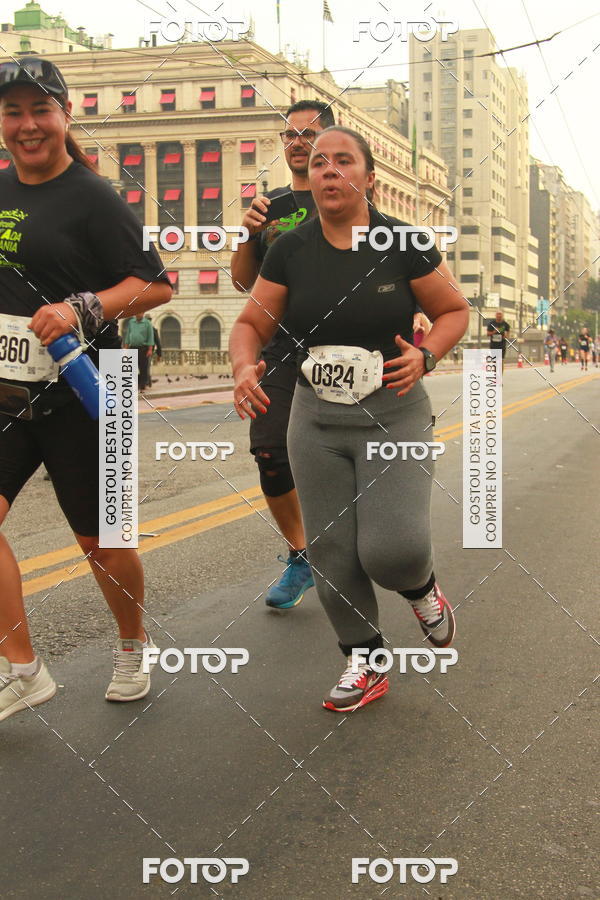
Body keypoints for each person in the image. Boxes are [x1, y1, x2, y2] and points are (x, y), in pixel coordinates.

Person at [230, 127, 469, 711]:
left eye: (343, 161)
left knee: (392, 549)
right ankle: (365, 661)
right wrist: (242, 367)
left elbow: (453, 310)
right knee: (332, 552)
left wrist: (427, 353)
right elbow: (250, 324)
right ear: (308, 179)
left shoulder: (401, 242)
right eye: (318, 163)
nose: (329, 171)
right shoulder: (290, 248)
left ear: (367, 178)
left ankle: (421, 586)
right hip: (315, 417)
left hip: (394, 412)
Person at [0, 57, 172, 722]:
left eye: (39, 110)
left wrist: (82, 309)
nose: (26, 125)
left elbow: (156, 283)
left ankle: (133, 644)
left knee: (103, 545)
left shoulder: (94, 198)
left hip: (88, 393)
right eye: (13, 112)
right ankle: (24, 668)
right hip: (9, 394)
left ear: (65, 116)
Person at [230, 100, 335, 609]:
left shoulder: (345, 196)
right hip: (280, 346)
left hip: (345, 347)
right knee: (270, 452)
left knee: (342, 460)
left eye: (309, 134)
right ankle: (302, 554)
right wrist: (248, 235)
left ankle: (360, 552)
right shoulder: (267, 206)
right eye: (290, 134)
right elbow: (242, 282)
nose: (298, 142)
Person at [123, 311, 154, 391]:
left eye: (140, 313)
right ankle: (135, 384)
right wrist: (126, 348)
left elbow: (150, 337)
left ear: (143, 313)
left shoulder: (147, 323)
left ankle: (143, 385)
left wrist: (150, 349)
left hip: (143, 348)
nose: (138, 314)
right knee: (132, 368)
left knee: (143, 368)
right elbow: (128, 335)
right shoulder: (131, 322)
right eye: (137, 313)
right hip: (132, 347)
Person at [146, 314, 161, 387]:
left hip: (149, 351)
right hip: (141, 350)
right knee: (145, 367)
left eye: (149, 320)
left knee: (147, 366)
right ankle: (147, 381)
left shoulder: (153, 330)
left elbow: (158, 342)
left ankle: (147, 381)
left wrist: (159, 354)